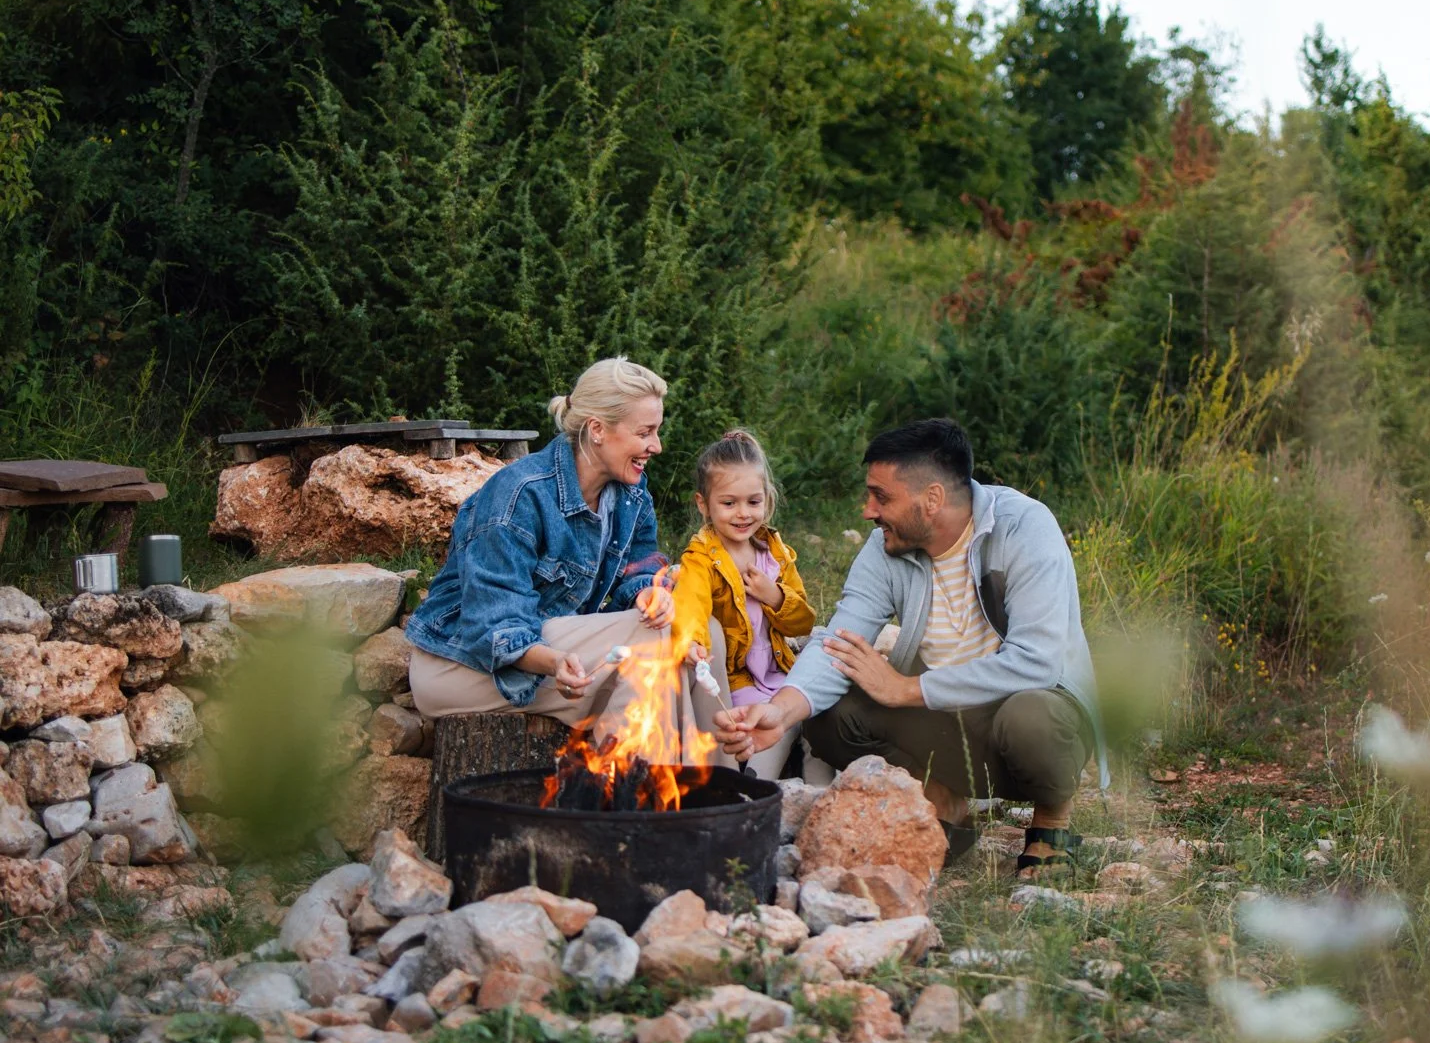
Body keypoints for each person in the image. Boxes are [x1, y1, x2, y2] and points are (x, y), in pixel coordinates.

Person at [715, 418, 1108, 876]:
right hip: (947, 726)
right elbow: (841, 640)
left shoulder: (1025, 528)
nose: (867, 510)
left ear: (933, 499)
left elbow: (1037, 661)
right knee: (828, 715)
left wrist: (908, 689)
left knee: (1032, 717)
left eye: (881, 496)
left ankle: (1051, 821)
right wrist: (780, 713)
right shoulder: (887, 546)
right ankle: (940, 796)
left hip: (1025, 718)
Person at [405, 356, 731, 761]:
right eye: (645, 432)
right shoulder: (518, 496)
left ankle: (721, 790)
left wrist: (651, 593)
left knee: (702, 630)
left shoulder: (631, 495)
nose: (656, 446)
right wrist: (556, 662)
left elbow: (640, 568)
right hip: (465, 667)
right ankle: (634, 802)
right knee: (646, 638)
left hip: (559, 657)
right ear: (597, 429)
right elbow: (494, 626)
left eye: (657, 431)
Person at [671, 430, 816, 779]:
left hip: (779, 670)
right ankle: (755, 785)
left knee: (813, 711)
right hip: (739, 679)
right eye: (729, 503)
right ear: (703, 504)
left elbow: (803, 624)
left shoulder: (775, 554)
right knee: (760, 724)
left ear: (766, 499)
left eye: (753, 502)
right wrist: (692, 641)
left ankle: (819, 793)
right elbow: (689, 601)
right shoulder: (703, 558)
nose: (742, 514)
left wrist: (776, 597)